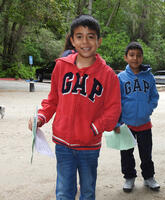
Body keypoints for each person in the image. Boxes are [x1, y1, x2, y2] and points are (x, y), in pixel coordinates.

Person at [28, 14, 121, 200]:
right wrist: (41, 117)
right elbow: (52, 100)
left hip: (89, 145)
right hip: (63, 143)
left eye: (91, 36)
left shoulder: (108, 75)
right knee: (64, 191)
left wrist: (95, 128)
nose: (85, 41)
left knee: (87, 191)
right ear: (72, 40)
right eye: (79, 36)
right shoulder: (61, 66)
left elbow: (113, 110)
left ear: (99, 41)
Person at [114, 41, 160, 193]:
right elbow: (115, 101)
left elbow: (154, 96)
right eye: (132, 55)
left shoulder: (149, 77)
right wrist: (117, 122)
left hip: (144, 124)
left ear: (142, 58)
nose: (135, 58)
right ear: (126, 57)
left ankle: (149, 178)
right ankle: (129, 178)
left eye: (139, 56)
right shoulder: (120, 78)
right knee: (126, 154)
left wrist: (148, 109)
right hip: (126, 124)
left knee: (146, 154)